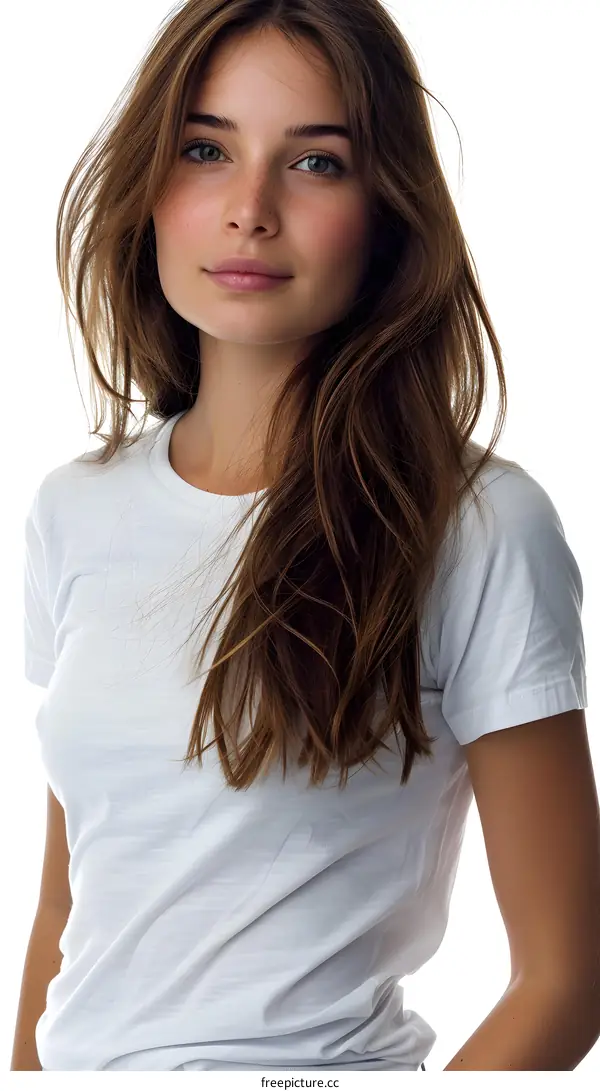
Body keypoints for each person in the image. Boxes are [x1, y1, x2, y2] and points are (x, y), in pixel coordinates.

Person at [12, 0, 598, 1075]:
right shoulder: (73, 507)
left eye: (316, 163)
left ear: (388, 209)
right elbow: (71, 901)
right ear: (150, 186)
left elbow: (567, 976)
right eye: (205, 149)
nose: (250, 209)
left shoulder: (475, 523)